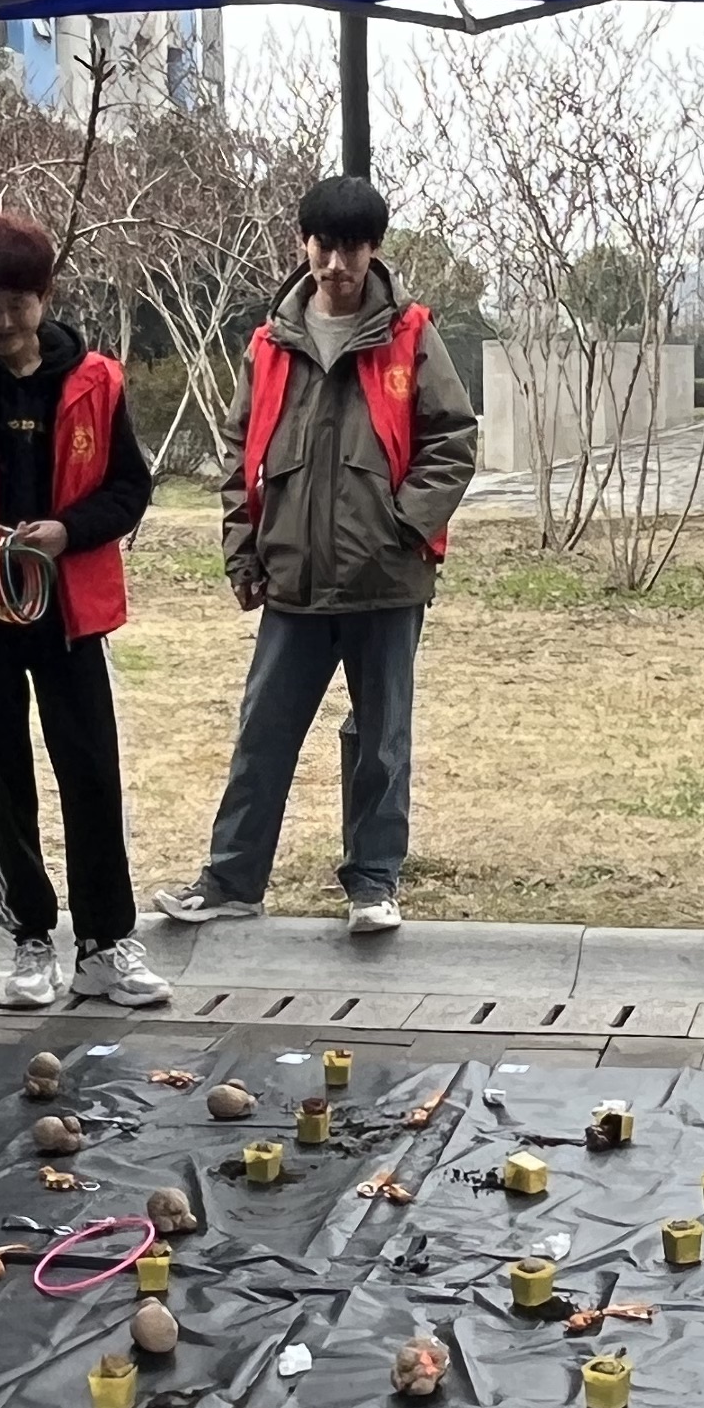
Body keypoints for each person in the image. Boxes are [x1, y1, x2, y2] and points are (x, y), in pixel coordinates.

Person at [155, 173, 477, 941]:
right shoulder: (270, 344)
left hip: (385, 581)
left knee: (381, 742)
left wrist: (401, 525)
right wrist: (243, 555)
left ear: (374, 249)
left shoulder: (410, 335)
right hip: (292, 582)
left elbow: (453, 439)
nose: (336, 264)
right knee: (262, 735)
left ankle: (374, 883)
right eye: (324, 246)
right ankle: (232, 882)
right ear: (304, 244)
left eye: (352, 248)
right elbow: (240, 456)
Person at [0, 211, 163, 1010]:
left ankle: (106, 943)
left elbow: (130, 488)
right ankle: (30, 939)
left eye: (17, 303)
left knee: (92, 774)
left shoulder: (98, 380)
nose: (3, 321)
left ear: (46, 297)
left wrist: (67, 531)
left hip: (70, 610)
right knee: (2, 776)